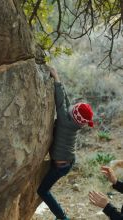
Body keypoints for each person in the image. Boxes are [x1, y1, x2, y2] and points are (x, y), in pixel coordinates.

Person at [37, 67, 94, 220]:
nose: (72, 106)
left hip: (60, 166)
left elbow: (61, 102)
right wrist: (59, 80)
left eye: (75, 108)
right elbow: (67, 103)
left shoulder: (64, 120)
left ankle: (62, 217)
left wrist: (56, 77)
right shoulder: (75, 123)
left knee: (42, 191)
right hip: (68, 161)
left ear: (73, 115)